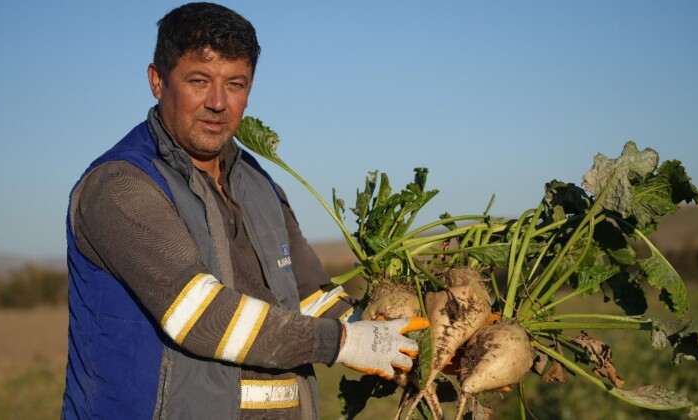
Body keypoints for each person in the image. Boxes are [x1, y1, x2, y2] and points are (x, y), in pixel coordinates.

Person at [61, 3, 428, 419]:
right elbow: (199, 316)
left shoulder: (258, 183)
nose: (218, 102)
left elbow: (310, 296)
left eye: (235, 84)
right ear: (157, 81)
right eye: (199, 81)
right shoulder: (120, 186)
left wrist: (397, 330)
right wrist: (343, 342)